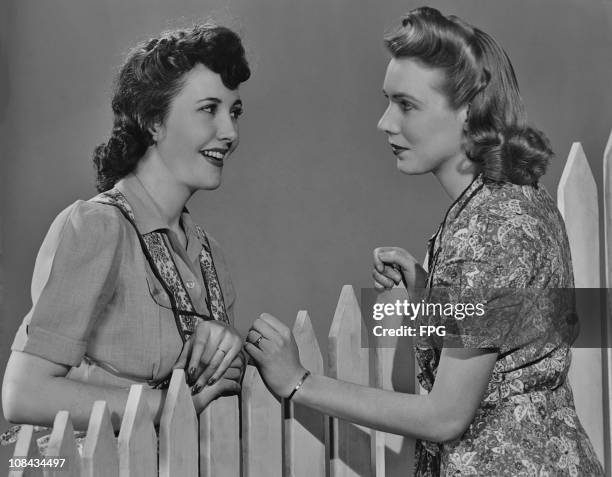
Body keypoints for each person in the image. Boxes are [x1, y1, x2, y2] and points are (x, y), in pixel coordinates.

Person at [245, 7, 604, 476]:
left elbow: (445, 416)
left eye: (406, 105)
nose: (385, 122)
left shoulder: (490, 228)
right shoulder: (515, 200)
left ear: (469, 113)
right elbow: (515, 335)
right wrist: (428, 293)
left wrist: (299, 383)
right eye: (387, 101)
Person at [2, 23, 250, 450]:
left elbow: (215, 403)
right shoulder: (98, 227)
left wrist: (233, 353)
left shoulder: (209, 254)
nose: (230, 132)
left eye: (235, 111)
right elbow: (24, 394)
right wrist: (168, 406)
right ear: (154, 121)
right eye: (209, 109)